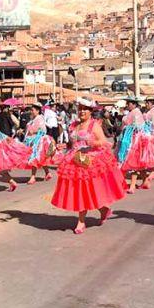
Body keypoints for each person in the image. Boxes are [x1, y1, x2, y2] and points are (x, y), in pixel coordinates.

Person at [50, 98, 127, 234]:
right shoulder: (73, 125)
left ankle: (81, 221)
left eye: (84, 109)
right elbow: (72, 143)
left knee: (88, 190)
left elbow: (102, 141)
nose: (81, 112)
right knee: (81, 191)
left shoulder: (94, 125)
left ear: (90, 111)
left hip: (90, 160)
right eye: (79, 109)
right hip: (75, 159)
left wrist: (90, 142)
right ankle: (103, 210)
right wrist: (64, 145)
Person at [21, 103, 56, 183]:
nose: (31, 111)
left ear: (37, 111)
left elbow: (43, 130)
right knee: (39, 159)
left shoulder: (40, 118)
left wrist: (34, 131)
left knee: (34, 158)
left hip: (38, 142)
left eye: (32, 110)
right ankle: (47, 173)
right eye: (31, 110)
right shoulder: (33, 119)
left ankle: (33, 177)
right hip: (32, 141)